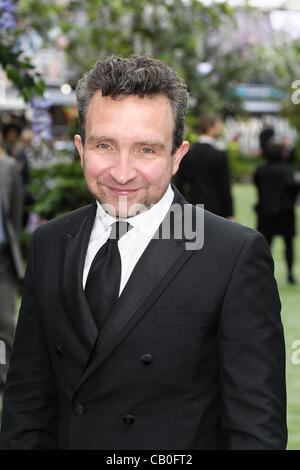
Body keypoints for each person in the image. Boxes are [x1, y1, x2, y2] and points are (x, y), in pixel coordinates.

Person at [0, 55, 287, 450]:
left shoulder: (232, 254)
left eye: (146, 150)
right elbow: (26, 405)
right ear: (81, 149)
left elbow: (255, 428)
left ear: (176, 157)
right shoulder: (52, 243)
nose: (121, 172)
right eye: (105, 145)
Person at [254, 143, 300, 284]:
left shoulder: (261, 170)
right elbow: (293, 187)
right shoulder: (287, 170)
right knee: (288, 244)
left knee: (265, 245)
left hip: (265, 212)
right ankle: (290, 274)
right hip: (285, 212)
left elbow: (258, 186)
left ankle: (263, 273)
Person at [0, 136, 25, 394]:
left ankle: (4, 374)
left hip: (3, 258)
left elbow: (17, 210)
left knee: (6, 321)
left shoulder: (7, 167)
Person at [176, 113, 234, 219]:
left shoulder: (187, 154)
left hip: (193, 207)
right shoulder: (219, 155)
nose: (221, 128)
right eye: (219, 125)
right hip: (216, 210)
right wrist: (230, 213)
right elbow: (225, 187)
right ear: (211, 128)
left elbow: (180, 184)